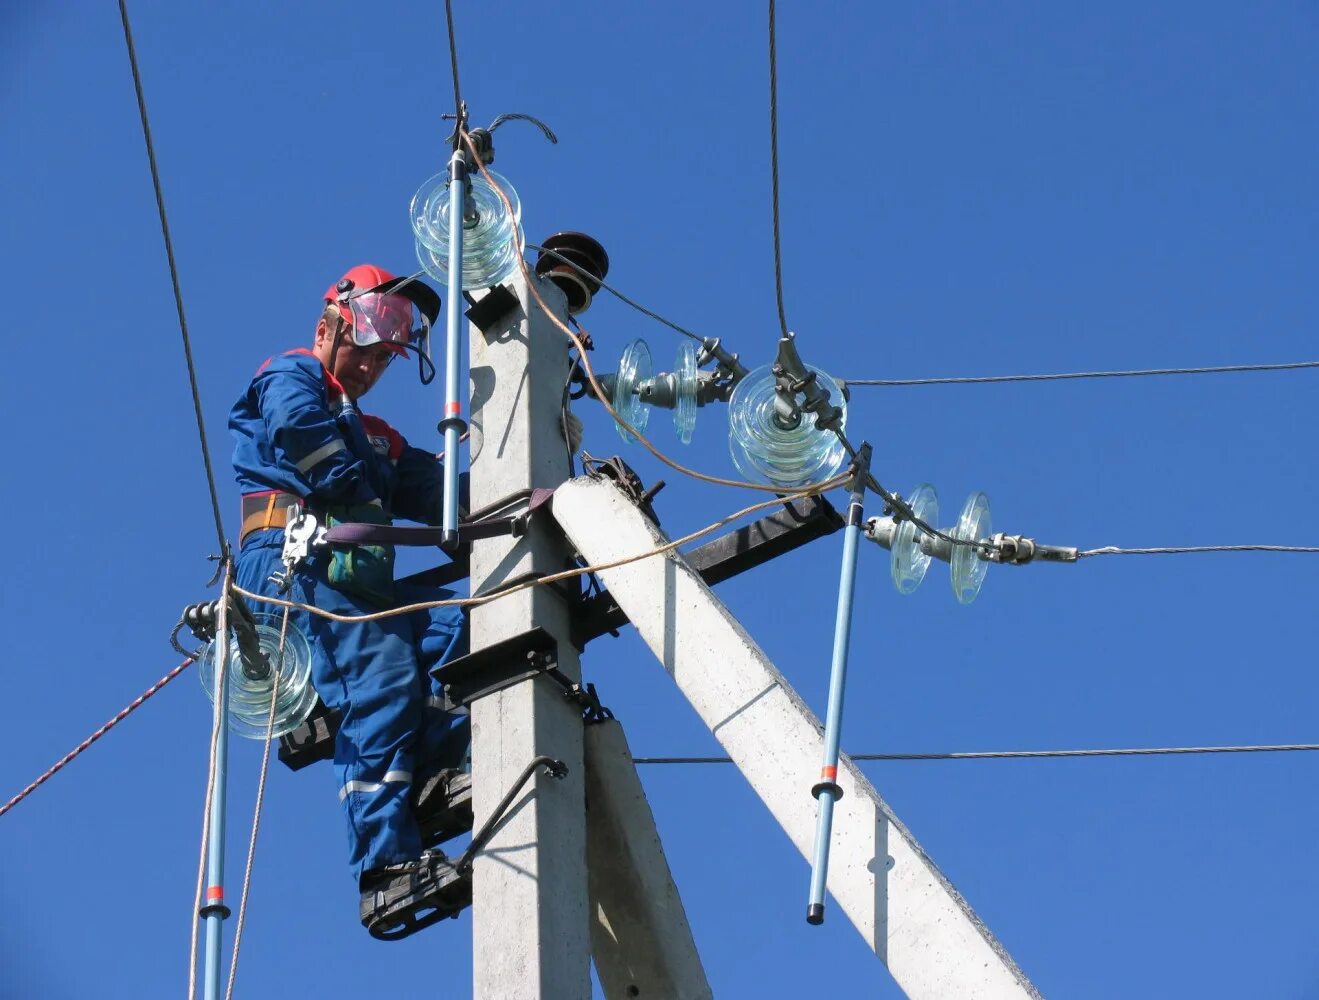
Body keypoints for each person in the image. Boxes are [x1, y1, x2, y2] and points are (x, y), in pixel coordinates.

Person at [228, 263, 474, 933]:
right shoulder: (291, 372)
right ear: (327, 324)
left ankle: (431, 775)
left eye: (391, 349)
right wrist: (359, 496)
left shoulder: (379, 438)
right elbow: (296, 427)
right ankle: (385, 868)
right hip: (291, 567)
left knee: (461, 630)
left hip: (352, 577)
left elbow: (445, 492)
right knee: (383, 675)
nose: (375, 360)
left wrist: (531, 479)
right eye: (368, 338)